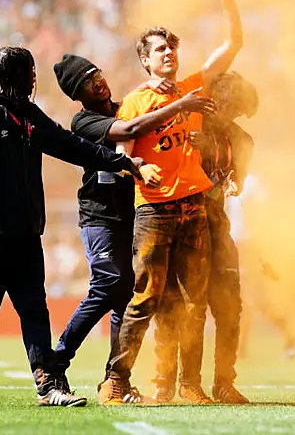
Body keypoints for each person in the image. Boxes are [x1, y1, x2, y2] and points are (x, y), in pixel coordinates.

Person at [0, 46, 145, 408]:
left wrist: (119, 162)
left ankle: (48, 387)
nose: (32, 80)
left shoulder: (29, 116)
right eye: (27, 73)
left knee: (35, 309)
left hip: (26, 234)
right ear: (14, 77)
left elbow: (72, 146)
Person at [98, 0, 244, 405]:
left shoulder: (193, 88)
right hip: (155, 211)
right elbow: (121, 151)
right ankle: (117, 382)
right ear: (145, 60)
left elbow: (234, 44)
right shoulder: (135, 102)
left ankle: (189, 385)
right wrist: (141, 167)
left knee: (194, 303)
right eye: (160, 50)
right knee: (144, 300)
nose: (169, 55)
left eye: (172, 49)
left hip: (193, 209)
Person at [51, 53, 215, 401]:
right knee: (111, 286)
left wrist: (157, 90)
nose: (97, 82)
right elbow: (129, 130)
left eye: (96, 74)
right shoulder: (85, 121)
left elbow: (144, 115)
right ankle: (56, 363)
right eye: (86, 81)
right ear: (76, 94)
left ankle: (117, 382)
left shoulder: (131, 103)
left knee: (128, 296)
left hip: (136, 213)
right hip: (101, 216)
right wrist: (175, 104)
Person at [153, 72, 258, 404]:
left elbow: (235, 184)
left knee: (230, 306)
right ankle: (167, 381)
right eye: (231, 107)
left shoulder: (242, 140)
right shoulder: (188, 123)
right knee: (177, 305)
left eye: (238, 111)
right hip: (180, 224)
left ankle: (224, 382)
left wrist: (219, 160)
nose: (233, 116)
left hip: (216, 224)